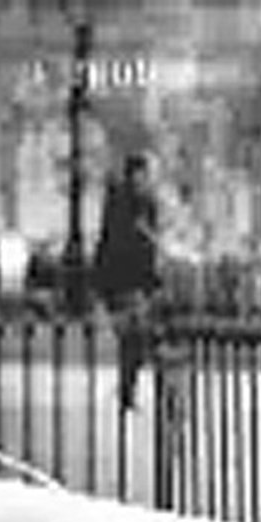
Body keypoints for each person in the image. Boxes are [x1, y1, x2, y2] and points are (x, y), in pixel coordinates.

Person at [94, 153, 161, 411]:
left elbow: (149, 242)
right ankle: (127, 389)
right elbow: (117, 241)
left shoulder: (145, 203)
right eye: (142, 174)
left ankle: (127, 389)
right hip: (123, 281)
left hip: (135, 281)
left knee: (133, 338)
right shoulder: (123, 202)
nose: (145, 179)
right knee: (133, 335)